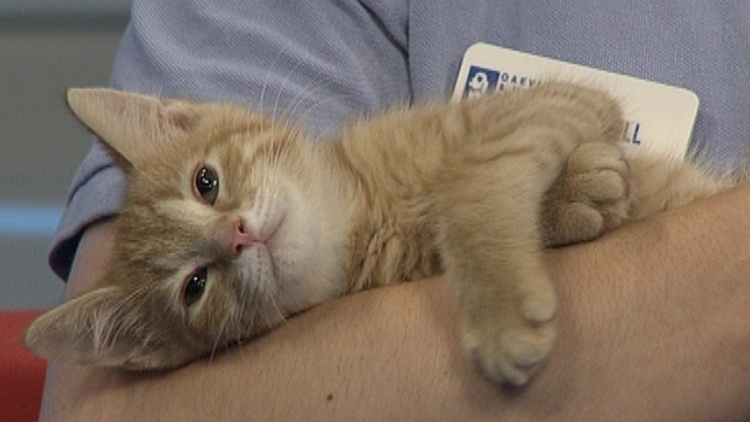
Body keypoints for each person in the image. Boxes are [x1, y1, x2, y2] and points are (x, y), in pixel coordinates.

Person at [40, 1, 750, 421]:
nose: (233, 234)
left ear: (179, 118)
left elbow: (575, 113)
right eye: (193, 288)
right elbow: (103, 413)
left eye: (205, 184)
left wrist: (486, 221)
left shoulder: (371, 156)